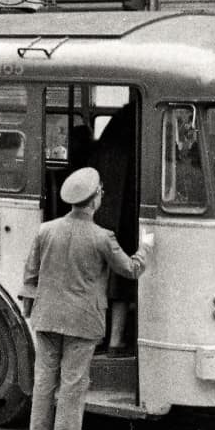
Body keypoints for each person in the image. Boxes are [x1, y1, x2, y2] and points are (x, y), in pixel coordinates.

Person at [20, 167, 153, 430]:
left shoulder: (46, 230)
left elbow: (30, 275)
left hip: (46, 316)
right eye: (101, 193)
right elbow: (131, 270)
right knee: (74, 380)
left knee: (44, 377)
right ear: (93, 200)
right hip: (82, 320)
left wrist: (30, 306)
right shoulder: (103, 237)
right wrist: (146, 249)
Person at [90, 104, 138, 359]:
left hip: (103, 213)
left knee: (103, 278)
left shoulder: (114, 130)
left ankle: (100, 337)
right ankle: (116, 342)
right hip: (125, 217)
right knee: (120, 279)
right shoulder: (137, 125)